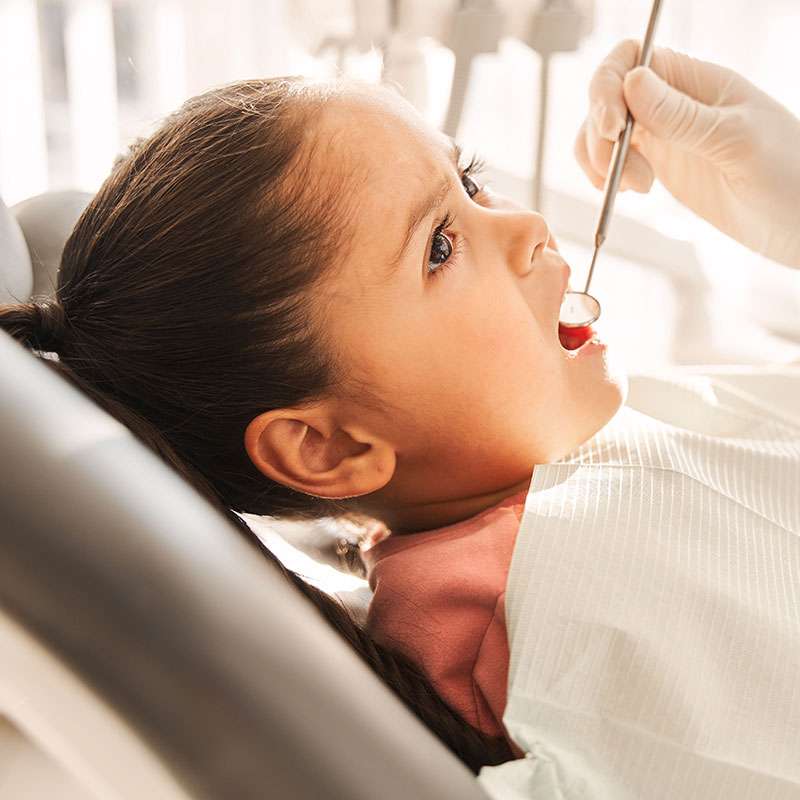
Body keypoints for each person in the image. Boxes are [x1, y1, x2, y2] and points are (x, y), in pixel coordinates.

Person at [0, 38, 798, 782]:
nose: (528, 227)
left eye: (472, 180)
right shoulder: (512, 633)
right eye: (440, 247)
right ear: (327, 448)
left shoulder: (566, 456)